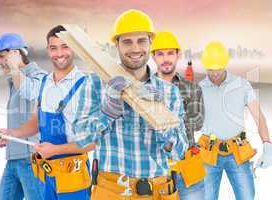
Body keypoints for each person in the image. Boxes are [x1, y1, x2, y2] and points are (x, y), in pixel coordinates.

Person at [72, 9, 188, 200]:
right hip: (111, 191)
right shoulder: (95, 83)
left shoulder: (169, 92)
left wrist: (159, 120)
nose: (135, 49)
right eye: (127, 41)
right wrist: (107, 112)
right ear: (116, 44)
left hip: (158, 192)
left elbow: (179, 152)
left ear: (151, 42)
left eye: (141, 40)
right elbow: (81, 137)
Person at [0, 25, 95, 200]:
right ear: (48, 49)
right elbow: (37, 120)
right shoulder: (46, 82)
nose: (59, 53)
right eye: (54, 47)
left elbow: (92, 141)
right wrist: (12, 133)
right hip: (47, 173)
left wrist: (55, 150)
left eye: (65, 46)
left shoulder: (86, 85)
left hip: (73, 176)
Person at [198, 41, 272, 200]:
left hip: (237, 151)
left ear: (225, 64)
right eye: (211, 70)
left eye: (218, 69)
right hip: (208, 152)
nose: (215, 73)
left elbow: (259, 118)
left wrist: (267, 144)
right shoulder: (198, 89)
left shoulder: (241, 85)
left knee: (246, 196)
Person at [151, 31, 205, 200]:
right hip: (155, 168)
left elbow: (197, 122)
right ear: (153, 57)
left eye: (170, 53)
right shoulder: (143, 90)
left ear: (178, 55)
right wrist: (178, 118)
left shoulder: (192, 88)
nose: (165, 59)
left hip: (187, 166)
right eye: (160, 54)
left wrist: (161, 120)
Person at [0, 33, 46, 200]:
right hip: (13, 159)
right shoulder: (15, 80)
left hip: (31, 160)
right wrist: (8, 134)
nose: (0, 62)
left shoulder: (39, 76)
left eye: (2, 56)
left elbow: (31, 93)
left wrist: (15, 68)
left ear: (16, 54)